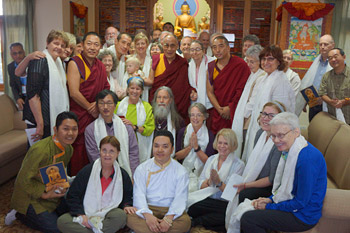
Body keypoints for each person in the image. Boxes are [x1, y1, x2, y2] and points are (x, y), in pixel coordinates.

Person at [239, 112, 327, 233]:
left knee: (249, 219)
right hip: (295, 206)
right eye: (273, 136)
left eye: (281, 135)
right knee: (248, 204)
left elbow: (301, 202)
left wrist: (269, 206)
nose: (276, 140)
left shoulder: (307, 159)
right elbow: (284, 187)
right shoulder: (290, 150)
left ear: (296, 132)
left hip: (303, 216)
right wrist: (270, 199)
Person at [9, 111, 78, 233]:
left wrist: (59, 187)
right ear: (55, 130)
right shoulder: (40, 150)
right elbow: (23, 181)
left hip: (51, 192)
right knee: (57, 229)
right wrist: (44, 194)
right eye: (66, 129)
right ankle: (20, 214)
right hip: (30, 197)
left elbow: (57, 172)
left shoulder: (69, 149)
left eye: (74, 129)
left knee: (70, 217)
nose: (70, 133)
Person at [226, 102, 284, 232]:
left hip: (270, 188)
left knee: (243, 194)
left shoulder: (278, 143)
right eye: (264, 114)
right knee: (229, 191)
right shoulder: (260, 134)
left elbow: (271, 179)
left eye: (271, 115)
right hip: (255, 179)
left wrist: (246, 185)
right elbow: (253, 164)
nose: (265, 118)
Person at [57, 136, 134, 233]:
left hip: (107, 215)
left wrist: (127, 205)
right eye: (104, 150)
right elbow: (73, 195)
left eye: (111, 151)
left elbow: (128, 195)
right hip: (85, 213)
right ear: (100, 151)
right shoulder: (87, 171)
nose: (107, 154)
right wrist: (80, 214)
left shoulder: (122, 175)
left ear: (118, 153)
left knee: (120, 216)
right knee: (62, 221)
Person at [126, 130, 191, 233]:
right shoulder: (142, 168)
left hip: (170, 210)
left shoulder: (181, 171)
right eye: (156, 146)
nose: (160, 150)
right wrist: (148, 216)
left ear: (172, 149)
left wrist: (168, 218)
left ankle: (152, 230)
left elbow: (180, 198)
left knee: (185, 222)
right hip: (148, 207)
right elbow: (139, 195)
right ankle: (160, 230)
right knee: (129, 217)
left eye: (165, 146)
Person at [242, 45, 295, 162]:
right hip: (261, 127)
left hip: (273, 133)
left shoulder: (280, 81)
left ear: (279, 62)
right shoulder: (264, 78)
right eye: (263, 59)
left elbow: (281, 114)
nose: (266, 62)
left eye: (270, 59)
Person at [67, 31, 110, 175]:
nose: (92, 47)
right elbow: (74, 92)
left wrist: (98, 106)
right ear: (82, 46)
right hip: (79, 115)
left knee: (95, 147)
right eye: (89, 44)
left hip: (95, 115)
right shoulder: (75, 63)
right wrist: (90, 107)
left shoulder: (100, 66)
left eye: (96, 44)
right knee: (79, 151)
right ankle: (78, 185)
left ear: (100, 48)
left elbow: (105, 89)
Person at [187, 128, 245, 232]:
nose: (222, 146)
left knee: (228, 214)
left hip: (223, 204)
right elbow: (200, 184)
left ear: (232, 145)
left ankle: (197, 222)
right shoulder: (211, 159)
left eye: (226, 144)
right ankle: (207, 223)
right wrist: (209, 182)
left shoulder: (239, 165)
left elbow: (231, 194)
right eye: (220, 143)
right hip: (207, 199)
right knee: (192, 206)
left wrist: (219, 183)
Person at [23, 30, 70, 140]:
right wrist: (40, 124)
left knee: (49, 154)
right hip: (39, 120)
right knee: (37, 154)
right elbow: (33, 95)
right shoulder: (40, 60)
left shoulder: (58, 63)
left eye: (62, 46)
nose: (59, 47)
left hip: (49, 118)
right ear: (47, 43)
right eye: (56, 43)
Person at [85, 90, 139, 177]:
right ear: (97, 106)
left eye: (109, 103)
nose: (105, 107)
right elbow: (94, 156)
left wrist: (133, 175)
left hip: (126, 173)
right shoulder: (91, 130)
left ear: (115, 105)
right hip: (102, 174)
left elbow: (133, 153)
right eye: (101, 103)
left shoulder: (127, 128)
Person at [207, 36, 250, 134]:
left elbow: (243, 90)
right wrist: (219, 109)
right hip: (218, 113)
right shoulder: (211, 66)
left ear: (228, 47)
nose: (217, 50)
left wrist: (230, 108)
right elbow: (209, 92)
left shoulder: (240, 65)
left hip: (235, 111)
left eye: (221, 46)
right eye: (214, 47)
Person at [148, 34, 196, 121]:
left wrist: (192, 90)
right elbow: (151, 82)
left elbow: (185, 84)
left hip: (178, 105)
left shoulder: (182, 63)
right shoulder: (157, 59)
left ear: (177, 46)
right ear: (162, 45)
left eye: (172, 45)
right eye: (166, 45)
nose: (169, 49)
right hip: (159, 103)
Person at [232, 45, 265, 158]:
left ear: (260, 61)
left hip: (250, 119)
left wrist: (243, 116)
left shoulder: (261, 76)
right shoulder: (254, 74)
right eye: (248, 61)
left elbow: (253, 101)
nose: (249, 65)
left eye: (252, 62)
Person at [175, 103, 215, 192]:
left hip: (201, 174)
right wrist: (190, 146)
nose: (195, 118)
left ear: (204, 117)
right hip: (183, 170)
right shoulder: (183, 132)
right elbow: (177, 156)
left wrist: (196, 148)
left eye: (198, 115)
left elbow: (209, 162)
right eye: (192, 115)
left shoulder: (210, 135)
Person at [116, 77, 155, 164]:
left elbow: (150, 129)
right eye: (132, 88)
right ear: (127, 89)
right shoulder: (118, 106)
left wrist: (134, 127)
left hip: (139, 147)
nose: (134, 91)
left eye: (138, 89)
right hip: (121, 143)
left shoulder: (146, 107)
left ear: (141, 91)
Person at [295, 34, 334, 120]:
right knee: (312, 127)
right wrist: (304, 101)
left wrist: (324, 99)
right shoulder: (316, 61)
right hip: (313, 103)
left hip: (328, 105)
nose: (322, 47)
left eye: (326, 44)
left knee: (324, 130)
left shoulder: (336, 63)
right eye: (320, 44)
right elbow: (307, 82)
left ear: (333, 45)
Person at [319, 48, 350, 124]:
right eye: (330, 58)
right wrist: (330, 101)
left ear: (344, 57)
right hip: (332, 118)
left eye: (335, 56)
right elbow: (322, 93)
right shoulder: (326, 76)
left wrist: (344, 102)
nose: (333, 60)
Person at [152, 86, 184, 156]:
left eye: (165, 98)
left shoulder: (177, 121)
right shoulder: (149, 117)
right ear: (155, 100)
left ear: (170, 100)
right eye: (159, 97)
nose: (161, 101)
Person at [188, 40, 215, 109]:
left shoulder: (212, 63)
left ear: (203, 51)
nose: (195, 52)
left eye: (198, 49)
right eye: (192, 50)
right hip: (194, 104)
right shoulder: (189, 66)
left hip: (210, 104)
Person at [134, 33, 152, 101]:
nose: (140, 46)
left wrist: (139, 78)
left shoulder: (151, 61)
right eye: (138, 44)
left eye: (143, 43)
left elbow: (151, 82)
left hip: (147, 93)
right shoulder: (130, 60)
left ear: (147, 45)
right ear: (135, 46)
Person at [8, 42, 26, 110]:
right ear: (11, 55)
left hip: (35, 97)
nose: (18, 55)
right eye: (14, 53)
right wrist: (17, 98)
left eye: (20, 52)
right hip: (22, 97)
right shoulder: (10, 67)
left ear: (24, 52)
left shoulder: (32, 63)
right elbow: (13, 85)